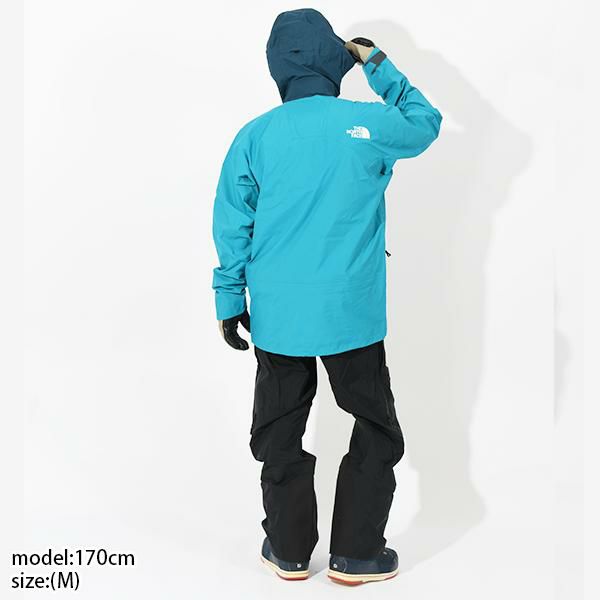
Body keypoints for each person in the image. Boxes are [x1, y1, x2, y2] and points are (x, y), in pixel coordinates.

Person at [211, 8, 442, 585]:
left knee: (279, 428)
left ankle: (289, 550)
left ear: (277, 68)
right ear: (334, 60)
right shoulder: (368, 122)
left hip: (278, 315)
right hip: (350, 313)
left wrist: (228, 300)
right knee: (373, 424)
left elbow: (233, 223)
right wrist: (377, 64)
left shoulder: (255, 136)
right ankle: (357, 554)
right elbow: (425, 121)